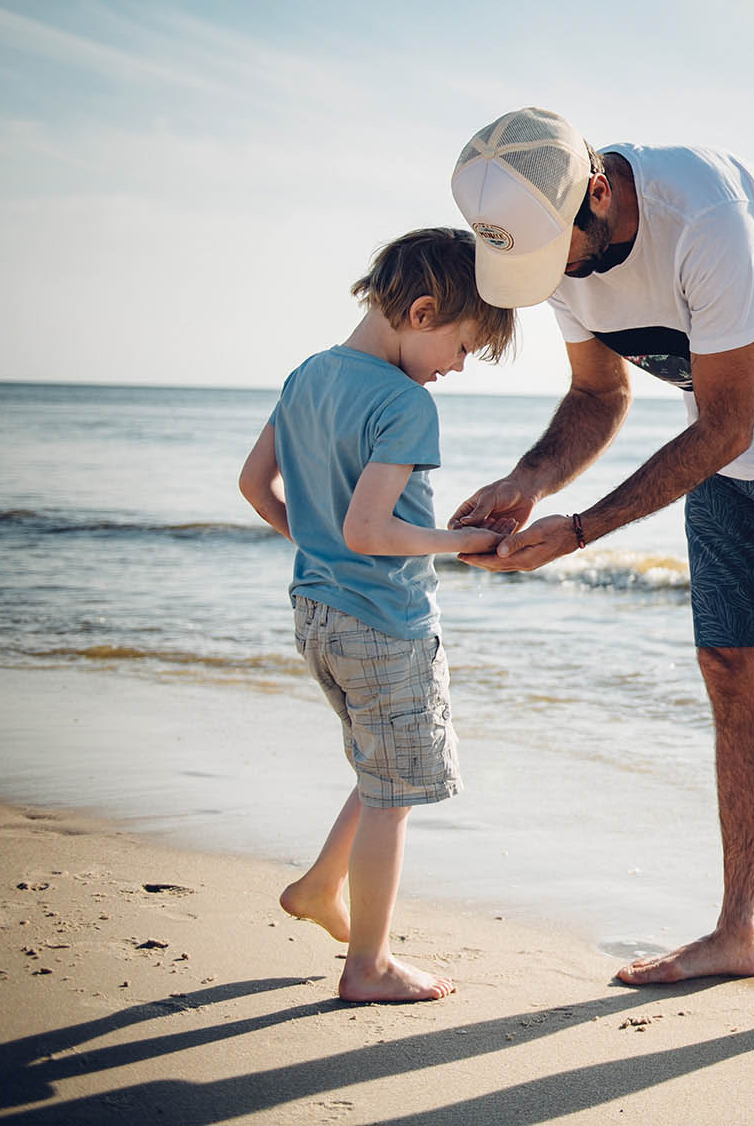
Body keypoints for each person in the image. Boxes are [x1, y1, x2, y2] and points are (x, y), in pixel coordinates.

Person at [447, 107, 754, 1037]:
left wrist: (582, 530)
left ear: (600, 193)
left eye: (562, 256)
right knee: (732, 670)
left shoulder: (707, 216)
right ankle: (741, 927)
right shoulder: (559, 248)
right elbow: (596, 393)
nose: (558, 279)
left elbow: (726, 422)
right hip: (727, 456)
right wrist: (530, 482)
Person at [237, 227, 515, 1003]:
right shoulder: (404, 402)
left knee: (381, 766)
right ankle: (368, 963)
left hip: (317, 614)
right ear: (424, 312)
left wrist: (320, 546)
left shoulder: (307, 376)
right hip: (386, 625)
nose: (458, 368)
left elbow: (255, 486)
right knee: (395, 793)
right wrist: (461, 540)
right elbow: (370, 530)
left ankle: (322, 886)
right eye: (462, 347)